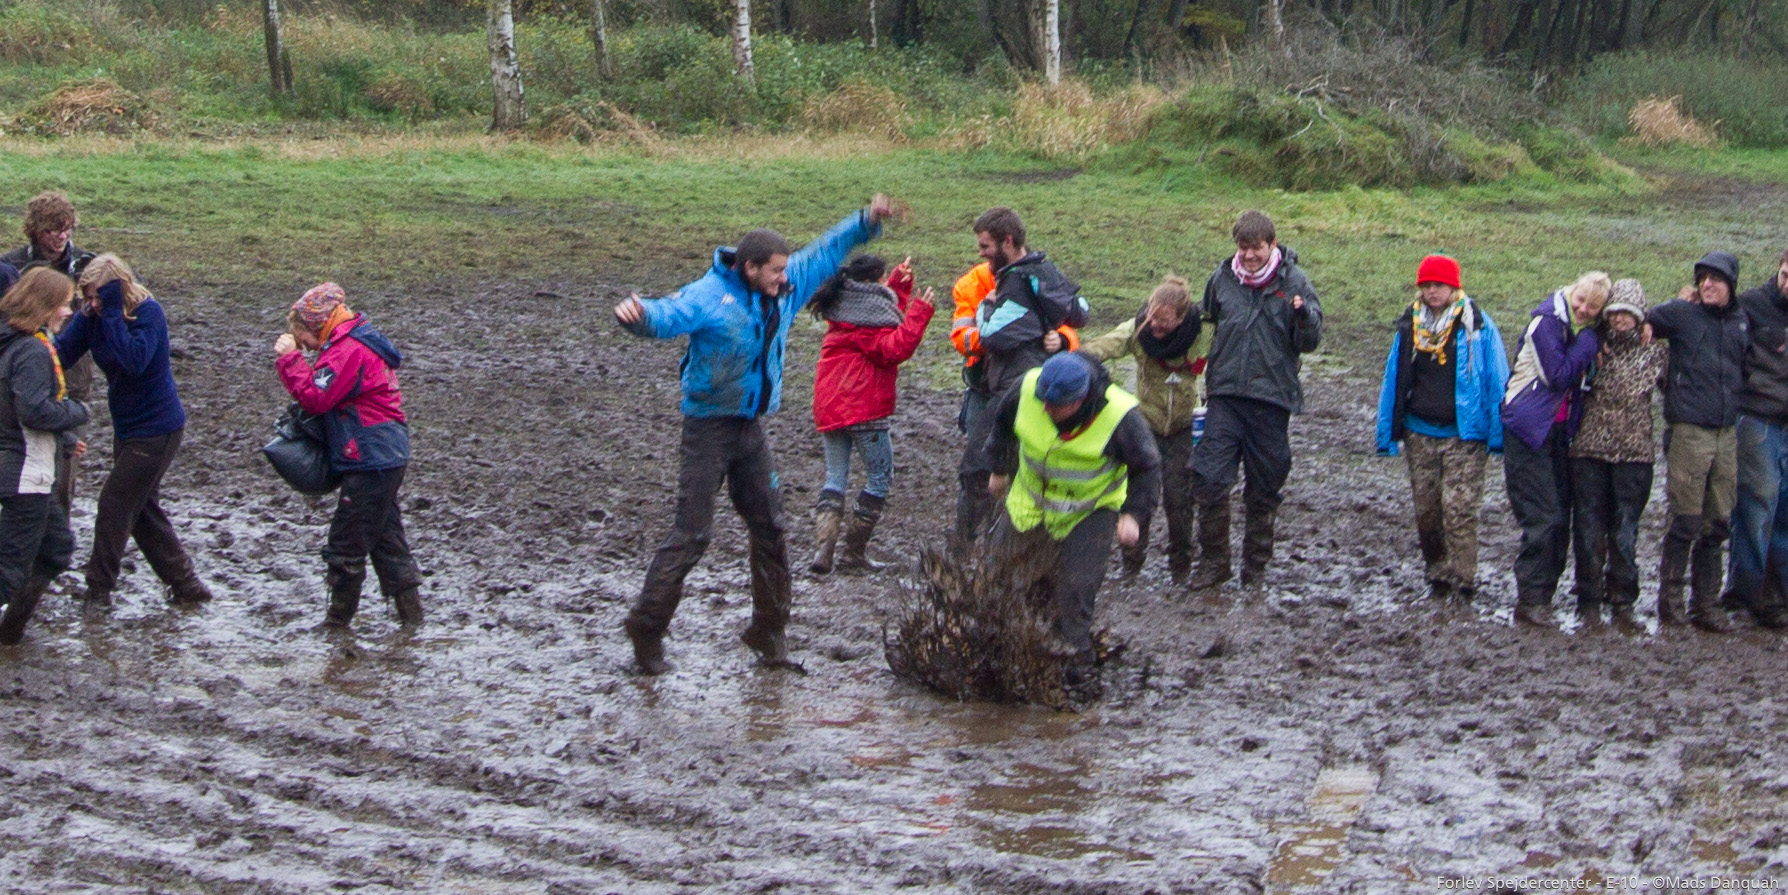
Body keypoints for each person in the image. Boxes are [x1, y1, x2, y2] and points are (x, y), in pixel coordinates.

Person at [614, 196, 895, 675]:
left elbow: (826, 251)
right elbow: (668, 314)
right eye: (775, 271)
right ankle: (646, 627)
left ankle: (770, 631)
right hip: (707, 429)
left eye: (785, 269)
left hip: (749, 429)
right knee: (693, 533)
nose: (784, 278)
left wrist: (865, 221)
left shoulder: (785, 287)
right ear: (749, 268)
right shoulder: (710, 295)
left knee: (771, 526)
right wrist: (639, 317)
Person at [986, 351, 1159, 696]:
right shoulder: (1027, 388)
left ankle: (1076, 679)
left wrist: (1133, 515)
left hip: (1089, 510)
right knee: (995, 580)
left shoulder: (1120, 415)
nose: (1046, 410)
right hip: (1030, 501)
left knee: (1074, 594)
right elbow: (1002, 425)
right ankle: (993, 663)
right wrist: (999, 470)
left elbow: (1148, 466)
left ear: (1080, 401)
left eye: (1056, 406)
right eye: (1043, 402)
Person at [54, 254, 211, 609]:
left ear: (117, 290)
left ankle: (98, 591)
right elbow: (62, 354)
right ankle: (187, 585)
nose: (92, 304)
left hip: (158, 429)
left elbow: (133, 361)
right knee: (140, 509)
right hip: (126, 427)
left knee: (114, 504)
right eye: (87, 297)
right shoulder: (93, 315)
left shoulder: (148, 314)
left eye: (98, 296)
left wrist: (111, 312)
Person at [274, 283, 423, 629]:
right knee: (386, 540)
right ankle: (412, 620)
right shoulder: (355, 340)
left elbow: (316, 398)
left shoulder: (347, 350)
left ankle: (337, 623)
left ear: (315, 325)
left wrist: (290, 360)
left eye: (302, 336)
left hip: (370, 458)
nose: (304, 345)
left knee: (345, 544)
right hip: (385, 454)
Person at [1188, 210, 1322, 590]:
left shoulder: (1295, 281)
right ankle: (1214, 563)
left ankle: (1255, 569)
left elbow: (1310, 342)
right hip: (1224, 396)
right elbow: (1207, 326)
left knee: (1264, 488)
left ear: (1272, 245)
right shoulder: (1221, 279)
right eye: (1242, 248)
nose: (1248, 256)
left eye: (1256, 248)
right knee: (1209, 478)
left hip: (1271, 399)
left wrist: (1304, 317)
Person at [952, 207, 1089, 546]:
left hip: (1015, 388)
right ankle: (997, 546)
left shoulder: (1015, 280)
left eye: (985, 246)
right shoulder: (1043, 270)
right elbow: (1080, 310)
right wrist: (1052, 335)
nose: (981, 254)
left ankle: (965, 552)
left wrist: (987, 307)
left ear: (1008, 241)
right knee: (1013, 467)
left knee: (979, 467)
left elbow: (993, 334)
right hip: (1019, 386)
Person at [1374, 255, 1509, 602]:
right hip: (1419, 433)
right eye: (1426, 285)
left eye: (1439, 285)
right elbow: (1393, 377)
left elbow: (1497, 379)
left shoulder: (1479, 326)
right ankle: (1437, 574)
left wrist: (1498, 433)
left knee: (1459, 510)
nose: (1432, 291)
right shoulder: (1409, 325)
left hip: (1466, 436)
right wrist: (1387, 431)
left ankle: (1464, 580)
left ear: (1454, 287)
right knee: (1427, 512)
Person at [806, 254, 935, 575]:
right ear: (869, 284)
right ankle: (853, 554)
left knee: (835, 478)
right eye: (882, 280)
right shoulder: (868, 319)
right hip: (864, 407)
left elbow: (884, 315)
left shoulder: (844, 307)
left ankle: (824, 548)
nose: (884, 285)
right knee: (880, 477)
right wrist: (919, 313)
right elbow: (893, 347)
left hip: (830, 407)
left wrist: (898, 283)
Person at [1083, 274, 1210, 582]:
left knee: (1180, 501)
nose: (1155, 325)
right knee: (1138, 497)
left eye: (1163, 321)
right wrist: (1072, 357)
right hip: (1146, 426)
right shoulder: (1138, 330)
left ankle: (1181, 569)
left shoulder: (1204, 333)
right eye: (1152, 317)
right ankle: (1131, 566)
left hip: (1183, 428)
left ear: (1181, 318)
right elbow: (1101, 347)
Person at [1647, 252, 1749, 632]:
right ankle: (1670, 605)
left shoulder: (1742, 321)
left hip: (1727, 432)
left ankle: (1705, 604)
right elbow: (1638, 320)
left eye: (1715, 279)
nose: (1707, 284)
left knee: (1718, 522)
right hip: (1689, 430)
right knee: (1685, 520)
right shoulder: (1680, 314)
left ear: (1731, 285)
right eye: (1702, 278)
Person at [1501, 271, 1608, 628]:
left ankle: (1541, 597)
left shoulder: (1569, 328)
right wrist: (1589, 342)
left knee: (1560, 515)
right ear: (1572, 291)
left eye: (1593, 308)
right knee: (1544, 516)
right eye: (1581, 301)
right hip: (1528, 429)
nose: (1584, 309)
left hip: (1555, 431)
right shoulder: (1546, 324)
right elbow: (1558, 376)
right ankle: (1531, 599)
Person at [0, 268, 90, 645]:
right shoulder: (32, 350)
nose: (68, 313)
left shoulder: (11, 342)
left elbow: (13, 408)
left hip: (26, 468)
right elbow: (33, 411)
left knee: (56, 549)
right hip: (26, 474)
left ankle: (9, 634)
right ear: (45, 305)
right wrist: (77, 412)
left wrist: (64, 439)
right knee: (8, 572)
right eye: (64, 304)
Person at [1568, 279, 1664, 632]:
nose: (1620, 319)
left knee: (1626, 531)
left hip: (1635, 455)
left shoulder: (1656, 351)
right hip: (1589, 450)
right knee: (1588, 528)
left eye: (1628, 313)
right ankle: (1588, 600)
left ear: (1640, 316)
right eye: (1614, 312)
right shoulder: (1592, 344)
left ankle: (1623, 601)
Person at [1727, 245, 1788, 628]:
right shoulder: (1751, 305)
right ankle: (1744, 597)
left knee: (1784, 512)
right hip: (1758, 418)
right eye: (1786, 276)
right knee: (1756, 506)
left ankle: (1777, 598)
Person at [949, 261, 1078, 436]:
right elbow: (961, 338)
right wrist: (998, 337)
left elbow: (1064, 323)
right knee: (979, 446)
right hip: (983, 387)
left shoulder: (1035, 279)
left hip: (1030, 388)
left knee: (1030, 442)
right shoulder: (972, 283)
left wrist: (1062, 339)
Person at [1, 191, 95, 278]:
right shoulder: (11, 264)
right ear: (36, 229)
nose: (62, 236)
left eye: (67, 229)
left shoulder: (88, 264)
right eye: (55, 230)